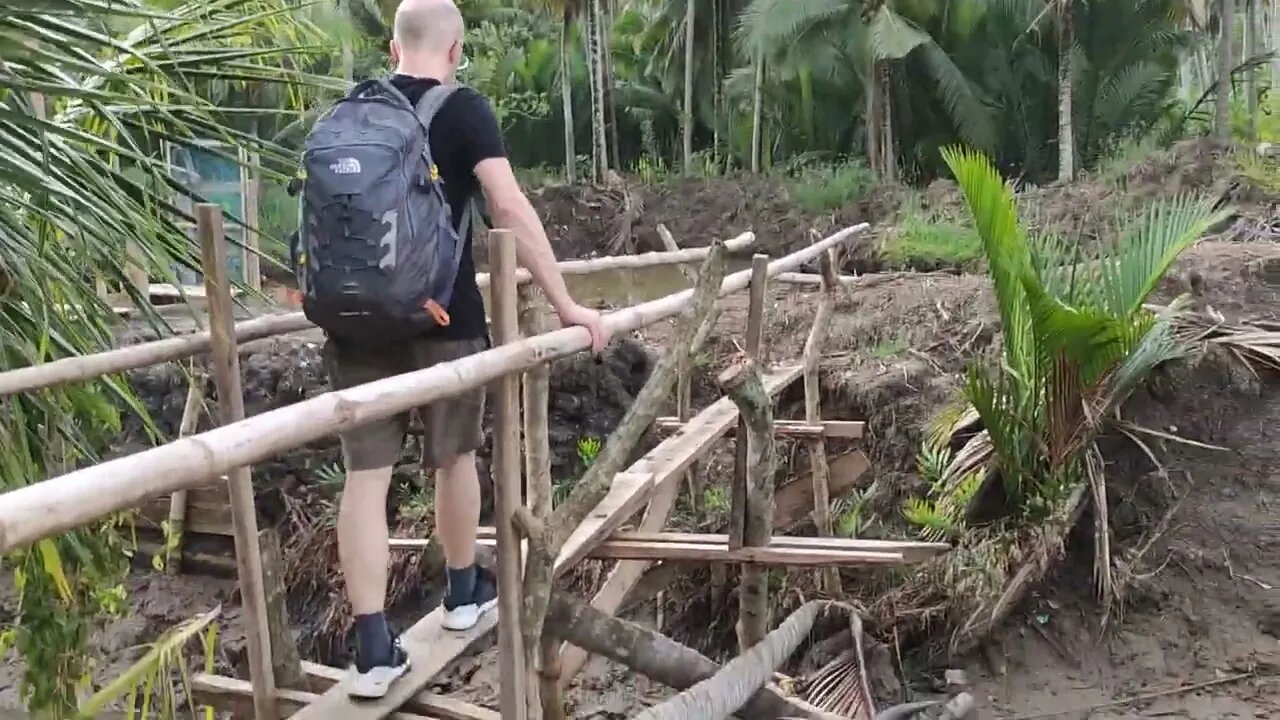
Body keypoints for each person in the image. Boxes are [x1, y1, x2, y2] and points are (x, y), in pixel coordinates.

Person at [323, 0, 610, 699]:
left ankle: (370, 649)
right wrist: (569, 305)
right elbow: (507, 207)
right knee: (455, 457)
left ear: (393, 48)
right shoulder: (464, 110)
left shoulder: (349, 114)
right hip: (444, 321)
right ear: (455, 50)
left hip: (355, 324)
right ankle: (460, 590)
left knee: (366, 478)